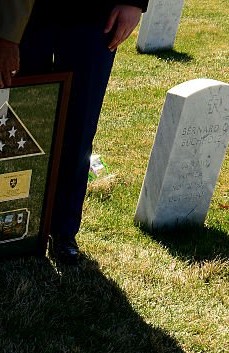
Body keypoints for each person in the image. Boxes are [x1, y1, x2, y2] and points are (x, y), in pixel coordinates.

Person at [20, 1, 148, 264]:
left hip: (96, 13)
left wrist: (135, 3)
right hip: (28, 11)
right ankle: (18, 221)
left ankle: (63, 229)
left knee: (79, 125)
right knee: (25, 120)